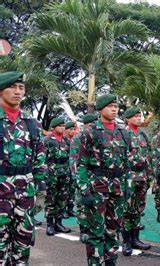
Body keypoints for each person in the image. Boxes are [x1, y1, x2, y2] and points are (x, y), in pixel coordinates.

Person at [77, 94, 130, 265]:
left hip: (117, 188)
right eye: (110, 106)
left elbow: (127, 162)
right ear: (101, 109)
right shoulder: (90, 132)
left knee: (113, 230)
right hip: (97, 189)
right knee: (95, 232)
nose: (114, 109)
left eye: (116, 106)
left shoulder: (123, 132)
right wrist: (84, 190)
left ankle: (110, 262)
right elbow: (82, 164)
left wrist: (127, 185)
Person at [0, 71, 46, 265]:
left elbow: (40, 159)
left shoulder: (32, 123)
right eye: (12, 87)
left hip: (25, 195)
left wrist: (41, 190)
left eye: (21, 88)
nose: (17, 92)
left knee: (23, 247)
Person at [121, 107, 152, 256]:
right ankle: (126, 241)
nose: (139, 118)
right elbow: (121, 155)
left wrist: (149, 174)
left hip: (142, 176)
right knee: (127, 209)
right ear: (128, 118)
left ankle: (135, 239)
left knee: (139, 207)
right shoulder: (123, 134)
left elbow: (149, 154)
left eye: (140, 116)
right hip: (129, 176)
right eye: (136, 116)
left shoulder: (142, 135)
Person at [70, 113, 98, 244]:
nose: (93, 127)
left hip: (96, 179)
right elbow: (75, 161)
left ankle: (93, 229)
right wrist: (78, 180)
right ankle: (83, 230)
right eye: (91, 124)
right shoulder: (78, 138)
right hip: (82, 177)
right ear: (86, 125)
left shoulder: (96, 136)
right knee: (82, 205)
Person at [44, 117, 72, 236]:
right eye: (59, 125)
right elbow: (42, 157)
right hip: (51, 172)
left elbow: (70, 155)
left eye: (63, 125)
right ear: (54, 127)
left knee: (62, 198)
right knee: (51, 199)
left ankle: (58, 223)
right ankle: (50, 224)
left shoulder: (66, 140)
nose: (62, 127)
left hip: (64, 172)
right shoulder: (48, 140)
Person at [63, 121, 78, 219]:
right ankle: (63, 210)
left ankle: (70, 208)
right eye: (70, 129)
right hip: (63, 169)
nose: (72, 131)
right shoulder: (63, 140)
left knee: (72, 190)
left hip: (73, 169)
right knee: (64, 190)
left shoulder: (75, 140)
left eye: (73, 129)